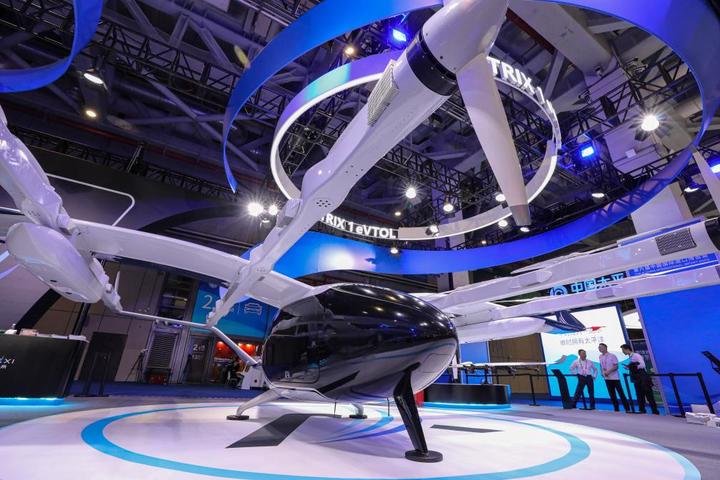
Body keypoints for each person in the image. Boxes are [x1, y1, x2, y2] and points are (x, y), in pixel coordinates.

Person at [621, 344, 659, 415]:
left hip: (642, 376)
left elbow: (642, 365)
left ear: (627, 349)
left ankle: (655, 411)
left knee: (648, 394)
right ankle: (642, 409)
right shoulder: (631, 357)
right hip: (636, 377)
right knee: (639, 394)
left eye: (623, 350)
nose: (622, 352)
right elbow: (634, 366)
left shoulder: (636, 355)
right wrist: (629, 367)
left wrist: (632, 366)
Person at [598, 343, 629, 412]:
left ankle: (627, 408)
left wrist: (608, 372)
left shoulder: (612, 356)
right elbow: (602, 366)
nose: (599, 349)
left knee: (621, 393)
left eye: (601, 347)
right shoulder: (600, 356)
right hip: (607, 378)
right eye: (599, 347)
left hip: (615, 378)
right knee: (612, 394)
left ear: (605, 347)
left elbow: (616, 366)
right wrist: (602, 373)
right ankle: (616, 408)